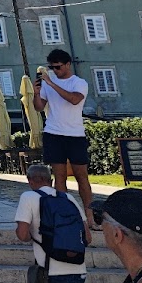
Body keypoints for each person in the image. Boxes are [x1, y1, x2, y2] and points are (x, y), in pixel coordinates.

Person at [15, 163, 88, 283]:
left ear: (30, 181)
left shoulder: (28, 197)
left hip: (54, 273)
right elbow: (87, 237)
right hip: (78, 271)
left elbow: (22, 234)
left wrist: (36, 236)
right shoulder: (69, 197)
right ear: (51, 180)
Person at [35, 49, 96, 229]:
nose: (55, 71)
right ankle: (64, 217)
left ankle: (90, 218)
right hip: (53, 133)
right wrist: (36, 92)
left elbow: (74, 100)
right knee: (59, 177)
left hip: (75, 134)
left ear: (68, 64)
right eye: (52, 68)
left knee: (81, 177)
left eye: (58, 67)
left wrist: (51, 84)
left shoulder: (79, 83)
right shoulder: (48, 82)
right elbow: (39, 108)